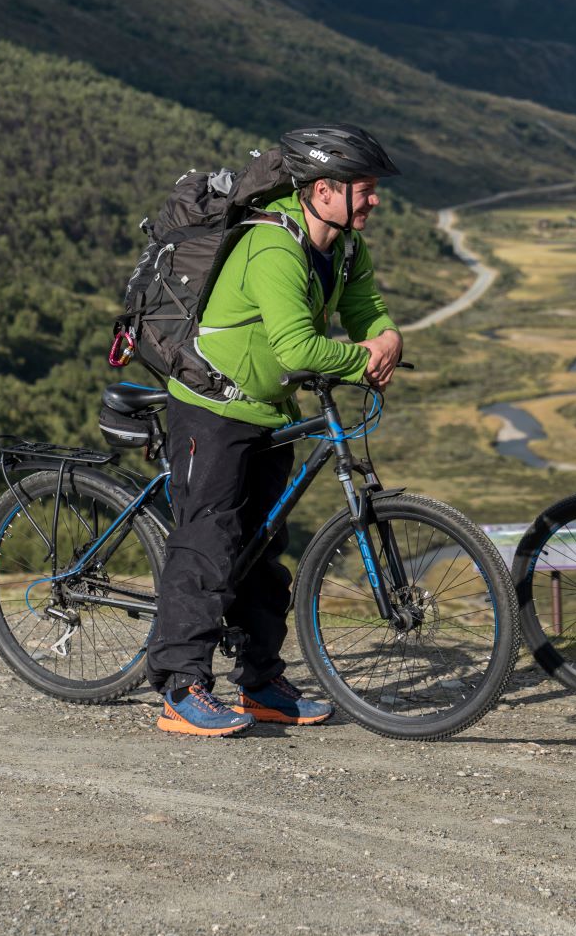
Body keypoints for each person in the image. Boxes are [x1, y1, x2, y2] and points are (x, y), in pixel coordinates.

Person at [144, 124, 406, 736]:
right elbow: (295, 348)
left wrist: (386, 333)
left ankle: (261, 681)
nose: (373, 201)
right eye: (364, 191)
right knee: (209, 539)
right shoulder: (275, 247)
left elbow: (363, 307)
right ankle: (181, 684)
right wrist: (361, 359)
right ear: (322, 191)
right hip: (213, 406)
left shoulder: (342, 247)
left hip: (268, 412)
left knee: (262, 548)